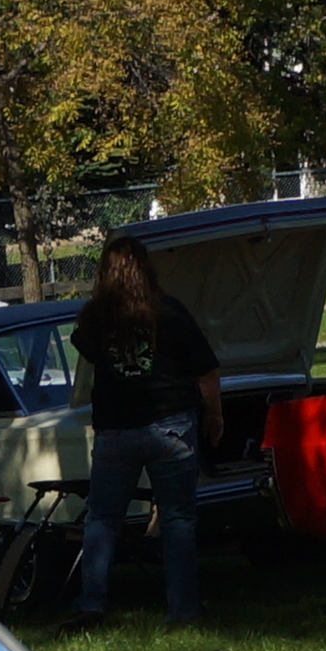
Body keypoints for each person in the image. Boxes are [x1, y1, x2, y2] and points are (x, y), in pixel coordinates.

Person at [69, 235, 221, 624]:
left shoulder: (94, 318)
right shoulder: (169, 312)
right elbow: (206, 371)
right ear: (147, 269)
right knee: (178, 519)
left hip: (115, 430)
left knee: (102, 519)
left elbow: (88, 351)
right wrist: (213, 415)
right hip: (171, 426)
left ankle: (92, 604)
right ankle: (183, 609)